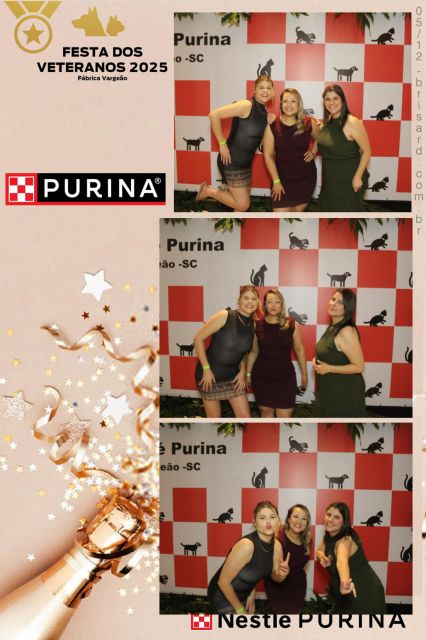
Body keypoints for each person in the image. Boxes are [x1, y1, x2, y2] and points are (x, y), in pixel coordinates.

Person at [195, 76, 274, 212]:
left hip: (246, 164)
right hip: (231, 161)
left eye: (269, 88)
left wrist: (270, 121)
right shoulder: (246, 105)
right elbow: (214, 115)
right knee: (243, 205)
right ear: (254, 90)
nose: (265, 91)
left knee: (239, 207)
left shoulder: (265, 112)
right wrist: (222, 144)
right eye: (261, 87)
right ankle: (207, 191)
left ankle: (233, 224)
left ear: (273, 91)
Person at [208, 501, 288, 614]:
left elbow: (273, 575)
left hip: (243, 595)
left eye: (272, 517)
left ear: (278, 521)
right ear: (254, 522)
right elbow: (223, 582)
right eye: (262, 518)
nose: (268, 521)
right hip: (222, 596)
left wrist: (281, 574)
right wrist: (240, 610)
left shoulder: (277, 546)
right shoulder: (247, 545)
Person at [194, 285, 258, 418]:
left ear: (257, 302)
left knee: (245, 418)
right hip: (209, 377)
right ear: (239, 301)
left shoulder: (253, 325)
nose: (250, 302)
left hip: (233, 378)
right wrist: (206, 369)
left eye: (253, 299)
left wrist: (242, 371)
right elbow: (198, 339)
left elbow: (243, 352)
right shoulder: (225, 315)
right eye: (246, 298)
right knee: (214, 419)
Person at [246, 289, 307, 417]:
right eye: (269, 302)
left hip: (285, 377)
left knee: (284, 416)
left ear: (282, 304)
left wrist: (305, 374)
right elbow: (253, 351)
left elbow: (300, 349)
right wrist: (248, 374)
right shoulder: (257, 325)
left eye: (277, 302)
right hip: (262, 377)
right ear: (265, 305)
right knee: (266, 412)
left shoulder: (291, 324)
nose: (273, 305)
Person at [316, 502, 386, 613]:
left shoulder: (345, 540)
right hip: (344, 591)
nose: (330, 519)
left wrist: (344, 582)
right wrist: (322, 557)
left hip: (362, 590)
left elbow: (342, 562)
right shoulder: (329, 535)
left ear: (344, 522)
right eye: (328, 515)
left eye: (336, 517)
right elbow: (319, 551)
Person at [315, 84, 371, 212]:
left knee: (345, 219)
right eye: (327, 99)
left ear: (342, 100)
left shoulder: (352, 122)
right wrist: (313, 150)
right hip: (330, 182)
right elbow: (328, 141)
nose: (331, 103)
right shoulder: (329, 122)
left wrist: (358, 177)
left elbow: (366, 151)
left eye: (335, 98)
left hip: (349, 181)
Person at [262, 88, 319, 212]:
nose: (289, 105)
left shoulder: (308, 123)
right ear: (281, 103)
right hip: (281, 179)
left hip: (305, 178)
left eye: (293, 101)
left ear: (299, 104)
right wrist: (276, 181)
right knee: (280, 216)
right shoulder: (272, 125)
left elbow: (321, 138)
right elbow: (268, 155)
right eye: (285, 101)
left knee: (297, 215)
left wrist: (313, 151)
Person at [312, 288, 366, 417]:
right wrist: (317, 361)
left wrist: (329, 368)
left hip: (344, 394)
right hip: (330, 391)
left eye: (340, 302)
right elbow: (331, 353)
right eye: (333, 299)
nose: (333, 304)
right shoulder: (333, 326)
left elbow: (359, 367)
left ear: (348, 308)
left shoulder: (346, 330)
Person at [264, 504, 311, 614]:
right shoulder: (277, 540)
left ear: (307, 522)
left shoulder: (307, 539)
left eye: (304, 518)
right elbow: (274, 574)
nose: (299, 521)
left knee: (295, 620)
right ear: (289, 519)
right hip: (279, 591)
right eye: (296, 516)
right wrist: (281, 574)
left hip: (299, 589)